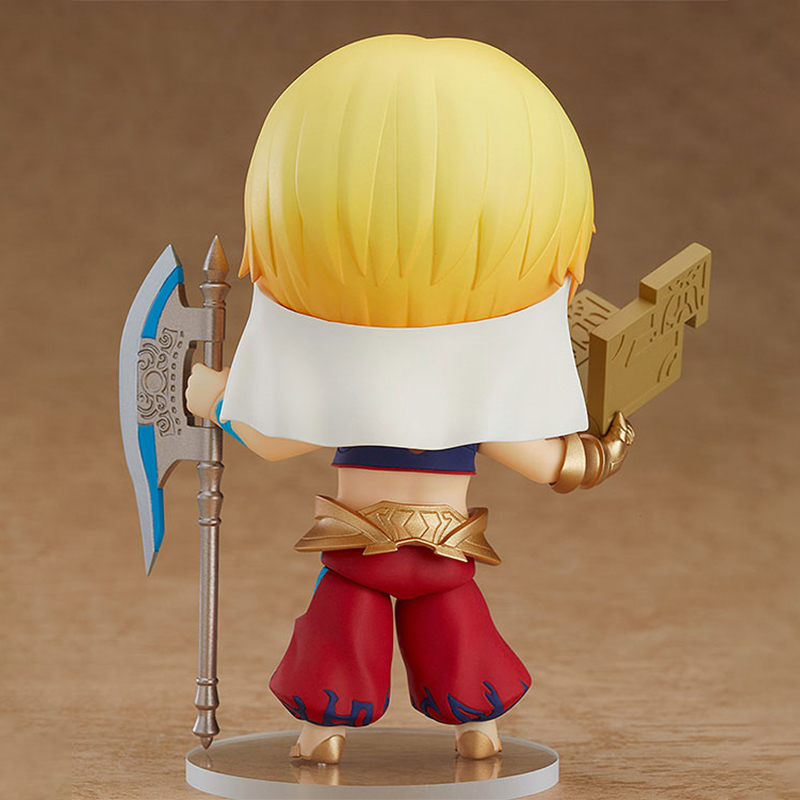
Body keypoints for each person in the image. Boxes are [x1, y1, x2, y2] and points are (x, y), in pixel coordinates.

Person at [186, 34, 633, 765]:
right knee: (456, 635)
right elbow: (547, 463)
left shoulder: (347, 385)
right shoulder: (482, 391)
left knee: (345, 636)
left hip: (357, 548)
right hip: (443, 552)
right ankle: (476, 727)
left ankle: (326, 730)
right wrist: (599, 454)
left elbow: (273, 438)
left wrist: (217, 396)